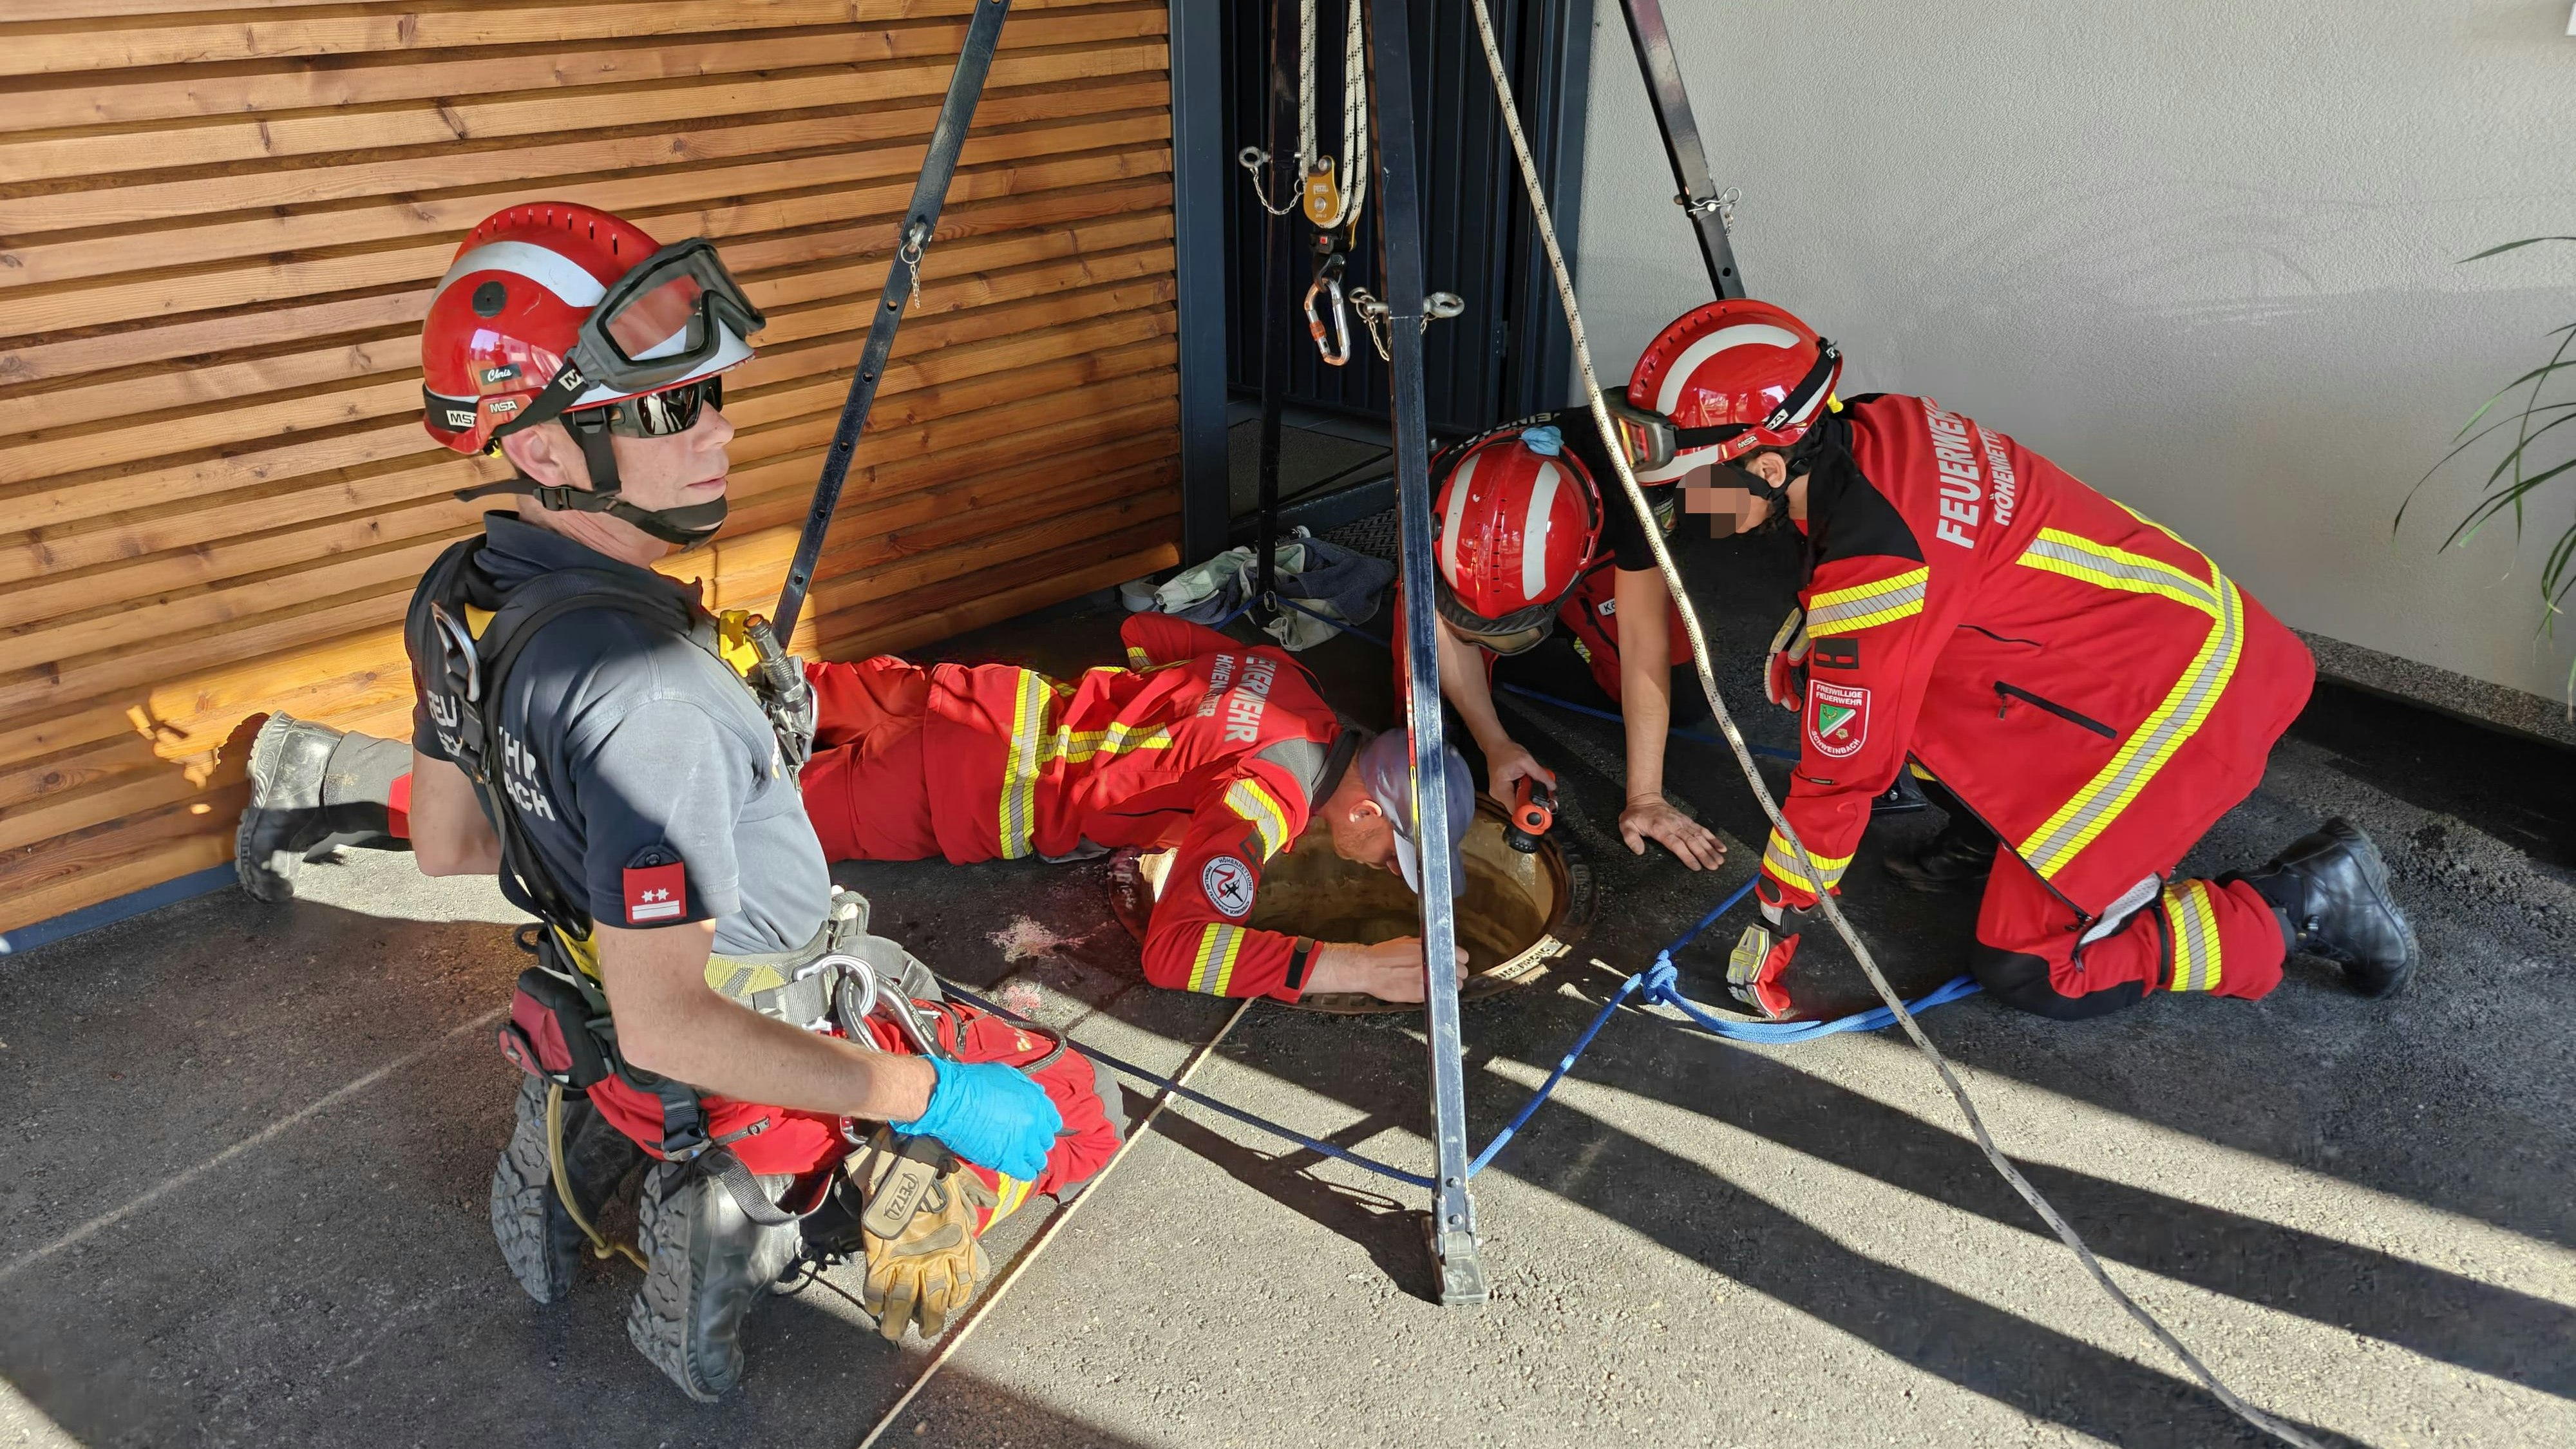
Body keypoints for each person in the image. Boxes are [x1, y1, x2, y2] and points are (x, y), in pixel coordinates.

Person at [314, 201, 1113, 1399]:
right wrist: (936, 1094)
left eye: (712, 395)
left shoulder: (460, 599)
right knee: (1075, 1112)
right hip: (750, 997)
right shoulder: (653, 702)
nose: (719, 433)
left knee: (631, 1035)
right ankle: (756, 1207)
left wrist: (602, 830)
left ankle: (595, 1123)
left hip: (594, 967)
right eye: (669, 409)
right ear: (540, 449)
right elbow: (673, 1024)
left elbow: (446, 844)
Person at [1602, 298, 2417, 1019]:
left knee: (2031, 969)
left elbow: (1838, 776)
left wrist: (1779, 914)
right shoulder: (1874, 424)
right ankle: (2000, 834)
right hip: (2164, 641)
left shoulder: (1881, 566)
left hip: (2183, 708)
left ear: (1772, 465)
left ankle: (2299, 904)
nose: (1685, 503)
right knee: (1829, 669)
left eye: (1696, 481)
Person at [796, 612, 1477, 1005]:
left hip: (969, 697)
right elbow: (1177, 954)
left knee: (754, 694)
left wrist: (1160, 759)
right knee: (741, 813)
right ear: (1365, 814)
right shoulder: (1265, 805)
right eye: (1396, 857)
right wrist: (1358, 967)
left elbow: (1149, 634)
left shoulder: (1293, 684)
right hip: (956, 789)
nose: (1387, 871)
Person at [1389, 421, 1727, 872]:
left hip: (1602, 538)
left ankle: (1561, 632)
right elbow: (1436, 626)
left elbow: (1644, 641)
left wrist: (1645, 796)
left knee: (1683, 699)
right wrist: (1495, 745)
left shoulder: (1633, 495)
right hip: (1469, 571)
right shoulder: (1431, 495)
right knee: (1417, 712)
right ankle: (1487, 668)